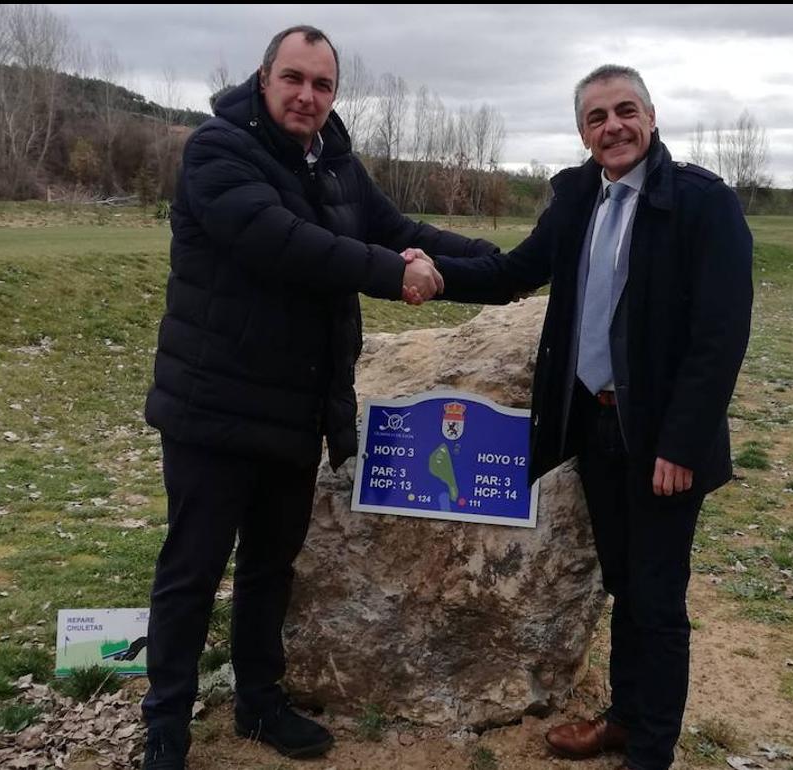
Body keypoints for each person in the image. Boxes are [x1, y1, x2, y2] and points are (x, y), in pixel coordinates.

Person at [139, 24, 497, 769]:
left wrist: (498, 267)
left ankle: (260, 703)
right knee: (193, 571)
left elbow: (394, 228)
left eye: (323, 84)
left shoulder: (334, 158)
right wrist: (392, 273)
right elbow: (283, 242)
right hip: (214, 407)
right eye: (294, 79)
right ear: (264, 78)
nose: (308, 96)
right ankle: (165, 724)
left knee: (272, 569)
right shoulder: (217, 150)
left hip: (296, 408)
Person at [426, 64, 753, 770]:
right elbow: (515, 271)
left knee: (658, 600)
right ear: (583, 132)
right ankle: (626, 720)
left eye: (625, 110)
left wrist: (682, 443)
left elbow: (720, 335)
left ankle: (650, 751)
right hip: (596, 428)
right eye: (597, 117)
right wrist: (432, 274)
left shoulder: (702, 203)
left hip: (662, 442)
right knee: (623, 586)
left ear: (652, 116)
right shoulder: (577, 198)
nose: (614, 126)